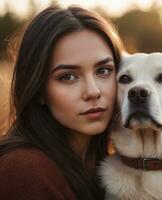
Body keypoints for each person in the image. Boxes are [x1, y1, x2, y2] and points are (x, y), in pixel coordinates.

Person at [0, 5, 123, 200]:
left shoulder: (111, 166)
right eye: (68, 77)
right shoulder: (25, 171)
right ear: (39, 89)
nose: (93, 91)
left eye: (103, 70)